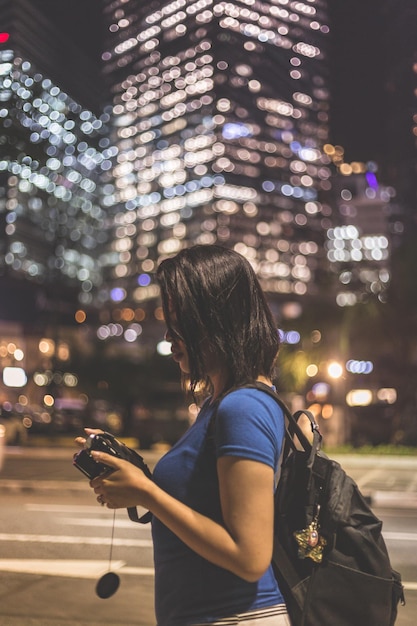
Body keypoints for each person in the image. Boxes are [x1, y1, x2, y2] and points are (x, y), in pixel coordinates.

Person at [76, 244, 290, 626]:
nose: (170, 336)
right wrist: (137, 476)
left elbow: (250, 557)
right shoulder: (219, 403)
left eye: (180, 323)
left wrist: (147, 493)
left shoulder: (243, 407)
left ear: (218, 319)